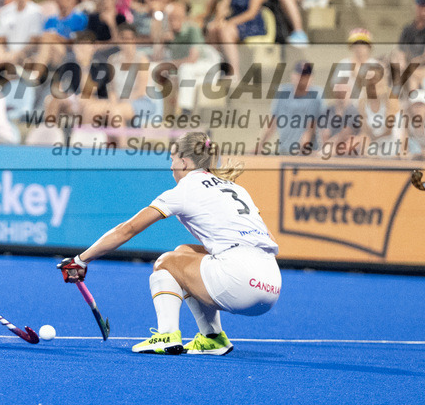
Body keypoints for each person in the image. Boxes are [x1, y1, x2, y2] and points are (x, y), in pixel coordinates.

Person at [57, 131, 281, 355]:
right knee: (184, 251)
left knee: (165, 262)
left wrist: (81, 260)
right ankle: (213, 338)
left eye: (172, 159)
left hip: (238, 284)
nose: (171, 167)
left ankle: (167, 335)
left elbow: (127, 229)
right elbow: (269, 239)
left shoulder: (184, 190)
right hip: (272, 285)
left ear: (184, 162)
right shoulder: (236, 188)